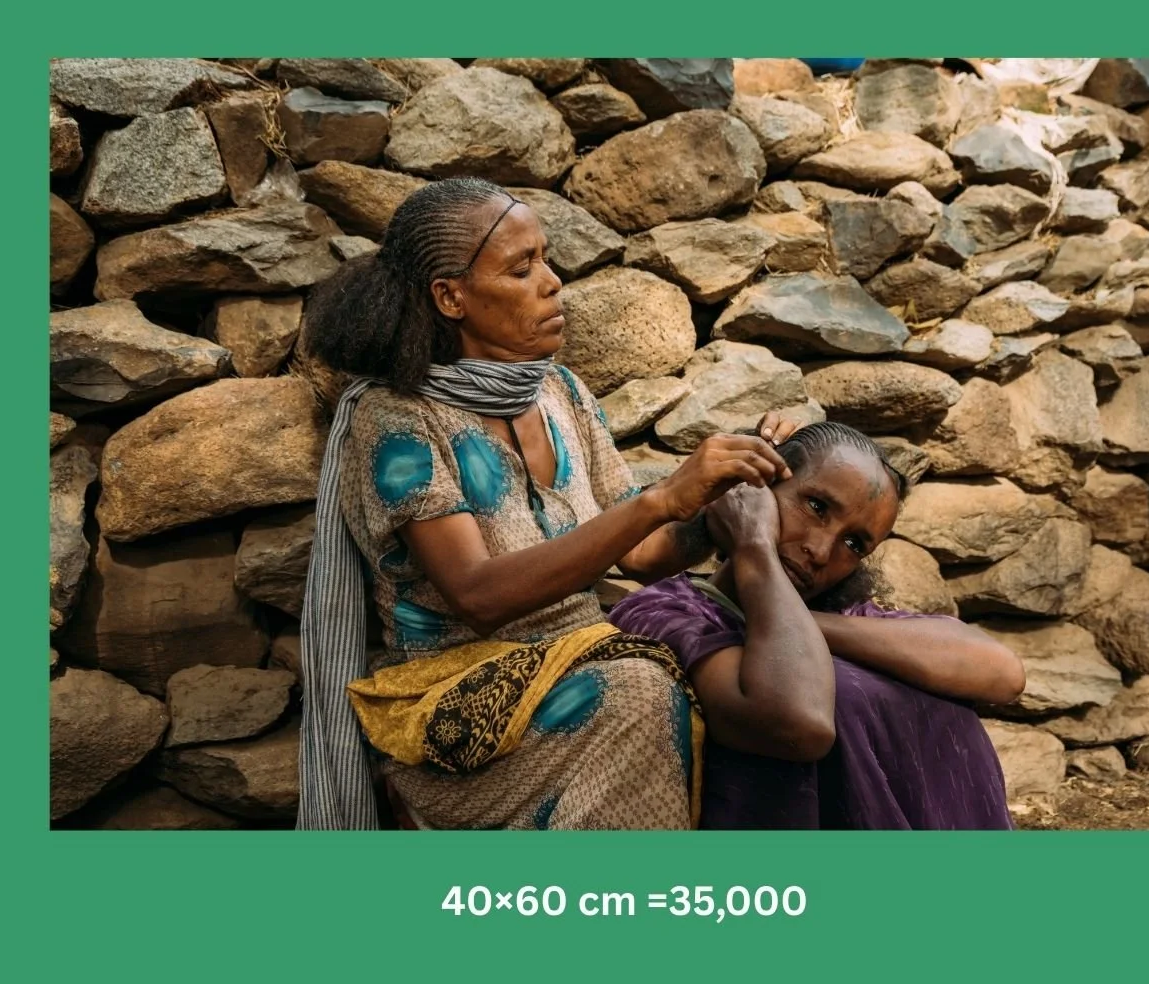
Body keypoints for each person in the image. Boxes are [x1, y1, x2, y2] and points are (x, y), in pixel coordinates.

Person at [296, 176, 800, 831]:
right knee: (639, 694)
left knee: (756, 689)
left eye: (547, 258)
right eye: (522, 267)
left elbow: (646, 552)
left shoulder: (560, 392)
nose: (553, 281)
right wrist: (663, 498)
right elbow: (478, 597)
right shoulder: (399, 419)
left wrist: (719, 498)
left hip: (584, 662)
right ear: (451, 297)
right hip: (454, 703)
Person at [608, 422, 1027, 829]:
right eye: (816, 506)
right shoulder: (666, 611)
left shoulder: (846, 619)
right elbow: (797, 722)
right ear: (757, 488)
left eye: (854, 544)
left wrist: (798, 619)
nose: (821, 550)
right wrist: (754, 543)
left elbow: (1002, 673)